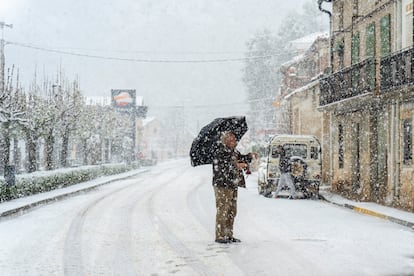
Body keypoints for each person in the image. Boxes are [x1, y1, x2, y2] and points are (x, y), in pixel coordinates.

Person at [212, 131, 257, 244]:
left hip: (232, 183)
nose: (235, 141)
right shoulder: (219, 151)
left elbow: (240, 158)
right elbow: (223, 166)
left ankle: (228, 234)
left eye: (235, 139)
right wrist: (236, 165)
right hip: (222, 185)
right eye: (232, 140)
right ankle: (220, 235)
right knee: (223, 210)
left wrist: (249, 156)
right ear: (225, 140)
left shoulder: (233, 151)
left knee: (232, 210)